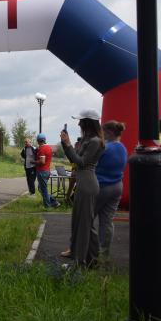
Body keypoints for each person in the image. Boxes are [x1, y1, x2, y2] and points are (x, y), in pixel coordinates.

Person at [60, 109, 105, 268]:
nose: (79, 123)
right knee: (81, 222)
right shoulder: (88, 139)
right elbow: (74, 159)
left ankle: (80, 262)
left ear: (88, 123)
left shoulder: (95, 141)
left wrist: (68, 144)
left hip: (87, 184)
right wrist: (65, 144)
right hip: (84, 183)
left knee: (84, 224)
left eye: (81, 121)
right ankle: (92, 259)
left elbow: (81, 162)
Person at [93, 121, 128, 258]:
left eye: (103, 131)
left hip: (101, 186)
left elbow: (90, 164)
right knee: (107, 222)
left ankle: (85, 251)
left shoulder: (105, 147)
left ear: (110, 132)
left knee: (87, 218)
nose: (102, 134)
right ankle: (103, 253)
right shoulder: (123, 148)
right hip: (117, 186)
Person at [34, 133, 60, 209]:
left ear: (38, 141)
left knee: (43, 190)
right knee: (41, 188)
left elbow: (42, 161)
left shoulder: (42, 149)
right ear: (44, 140)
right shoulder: (48, 147)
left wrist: (33, 162)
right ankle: (54, 202)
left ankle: (47, 206)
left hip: (42, 171)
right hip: (47, 170)